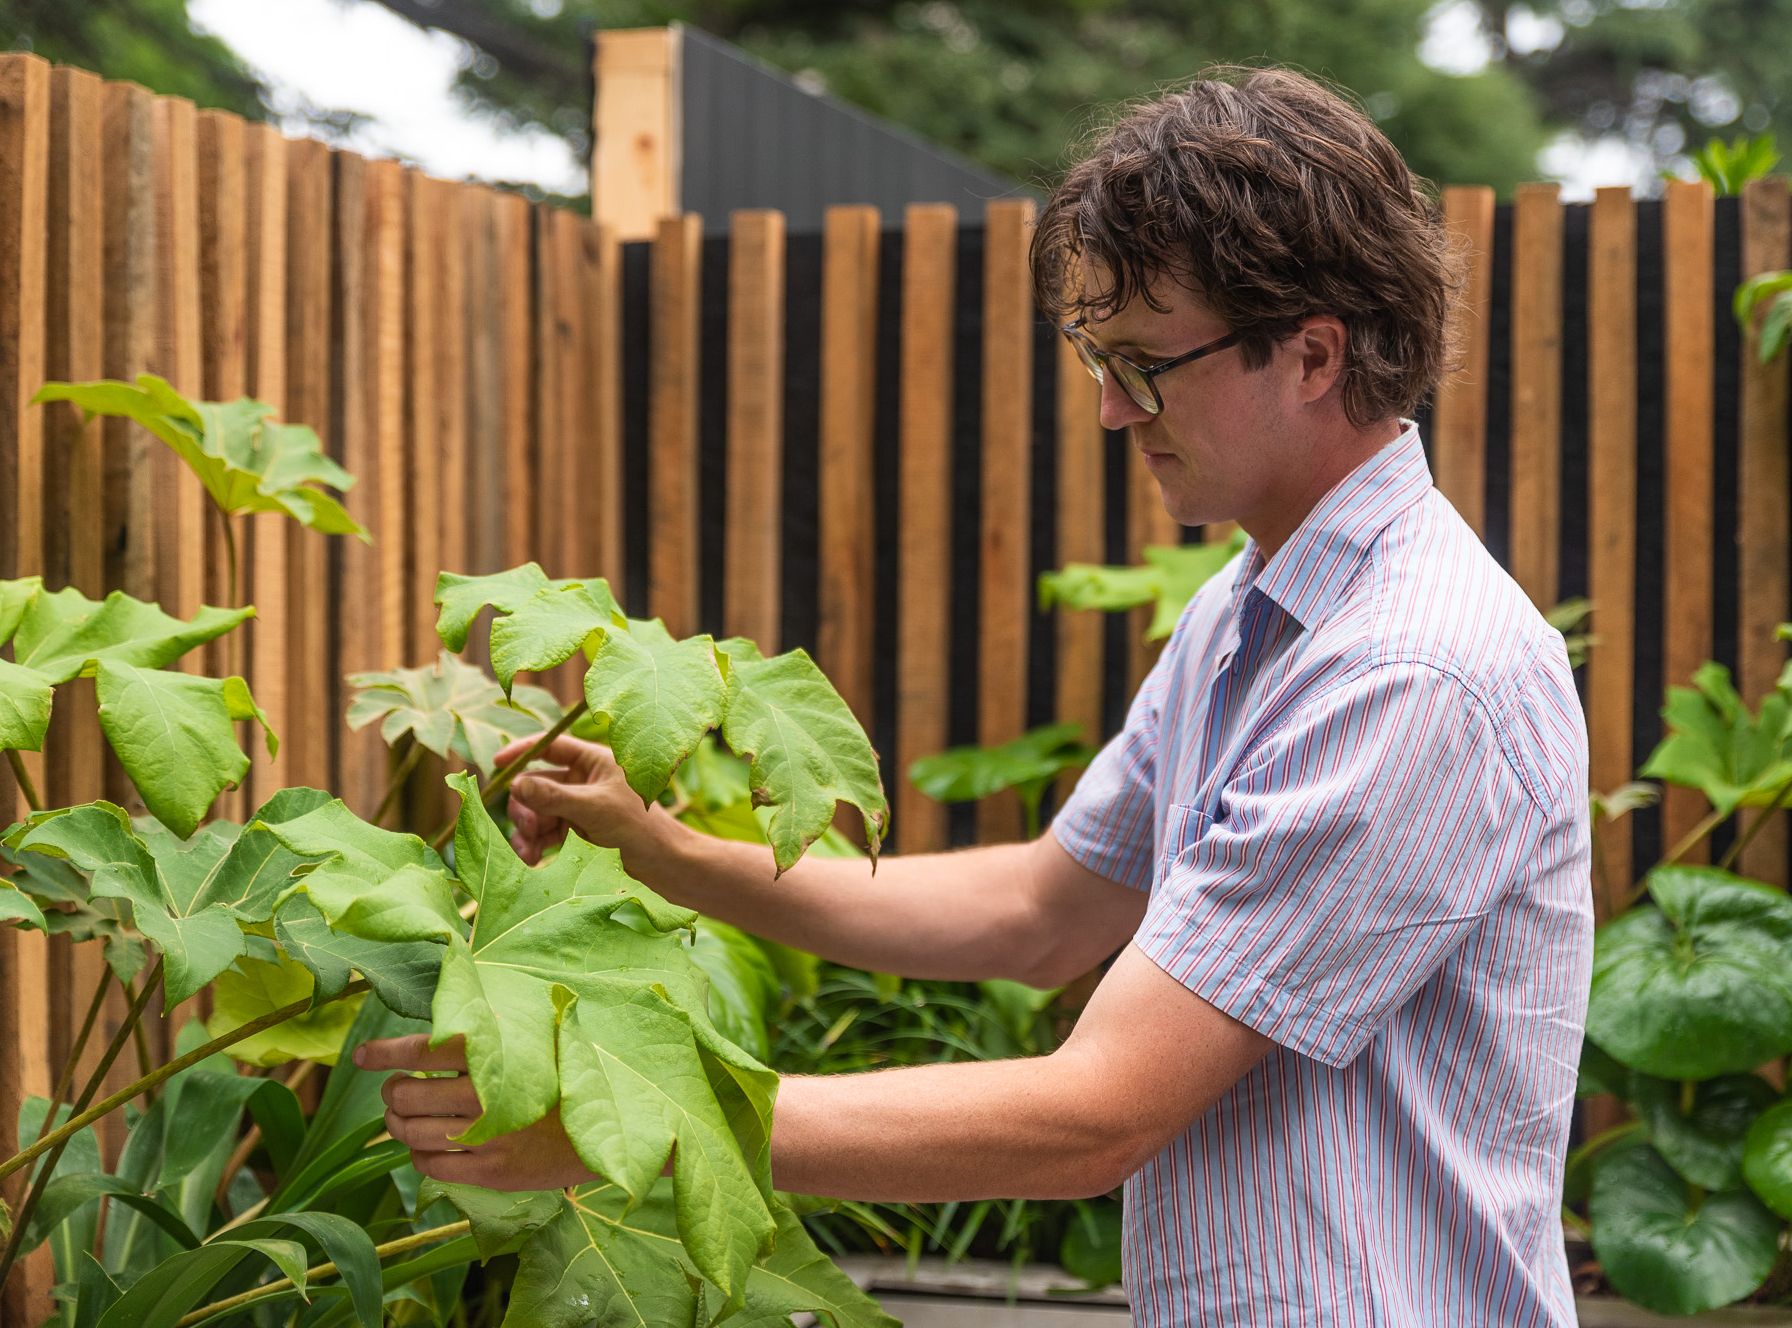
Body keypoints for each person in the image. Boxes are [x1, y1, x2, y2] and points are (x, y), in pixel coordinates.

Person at [358, 67, 1592, 1327]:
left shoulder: (1407, 672)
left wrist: (622, 1118)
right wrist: (666, 851)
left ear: (1314, 351)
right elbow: (1039, 908)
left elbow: (1095, 1113)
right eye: (1095, 357)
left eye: (1146, 363)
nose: (1112, 408)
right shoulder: (1249, 612)